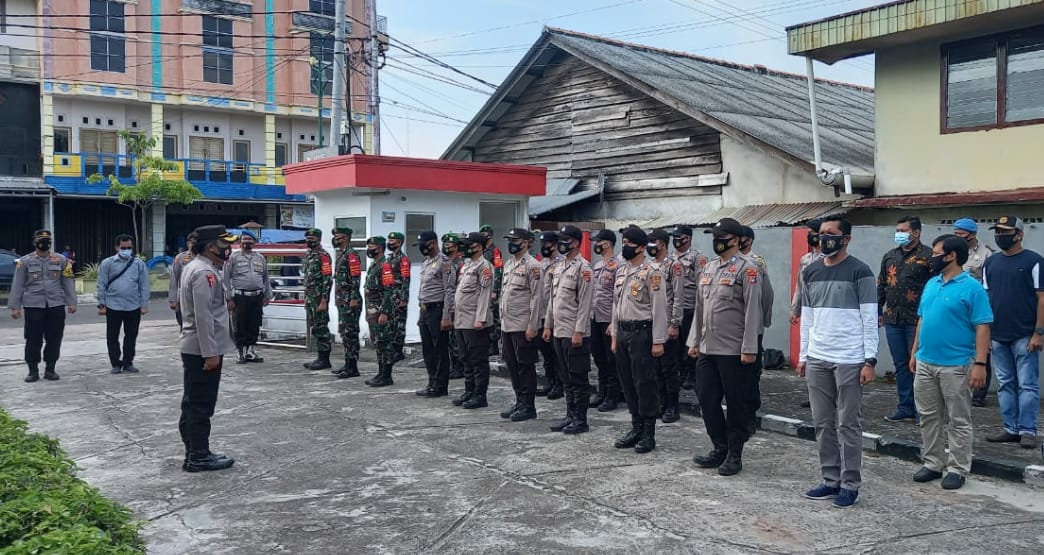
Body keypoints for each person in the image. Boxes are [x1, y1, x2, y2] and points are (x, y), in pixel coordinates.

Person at [797, 215, 878, 508]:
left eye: (832, 233)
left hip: (850, 359)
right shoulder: (812, 271)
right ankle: (829, 480)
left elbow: (870, 319)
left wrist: (869, 360)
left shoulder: (860, 271)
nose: (825, 238)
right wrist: (804, 355)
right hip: (818, 358)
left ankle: (850, 483)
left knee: (849, 424)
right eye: (822, 233)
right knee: (823, 423)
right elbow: (807, 317)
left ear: (846, 239)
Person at [908, 235, 992, 490]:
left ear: (951, 255)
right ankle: (933, 462)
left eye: (936, 253)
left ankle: (957, 467)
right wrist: (914, 352)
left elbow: (982, 326)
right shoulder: (932, 284)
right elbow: (922, 320)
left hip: (956, 365)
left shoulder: (972, 288)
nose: (931, 258)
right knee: (928, 416)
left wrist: (980, 364)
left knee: (958, 419)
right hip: (925, 362)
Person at [686, 218, 762, 476]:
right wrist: (694, 341)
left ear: (737, 240)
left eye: (723, 236)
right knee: (706, 400)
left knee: (737, 403)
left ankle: (734, 453)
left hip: (733, 351)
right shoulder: (709, 268)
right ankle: (719, 446)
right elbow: (699, 307)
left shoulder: (748, 269)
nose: (717, 241)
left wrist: (750, 347)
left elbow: (754, 311)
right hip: (708, 348)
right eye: (715, 236)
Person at [178, 225, 238, 473]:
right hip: (202, 349)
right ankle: (198, 456)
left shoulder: (201, 268)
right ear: (211, 246)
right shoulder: (204, 273)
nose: (228, 249)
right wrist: (210, 353)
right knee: (201, 405)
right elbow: (204, 317)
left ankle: (195, 450)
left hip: (198, 347)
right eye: (225, 244)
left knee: (193, 403)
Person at [983, 216, 1042, 450]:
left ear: (1019, 235)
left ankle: (1027, 430)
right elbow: (986, 300)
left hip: (1025, 334)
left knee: (1027, 384)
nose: (1000, 235)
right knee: (1005, 383)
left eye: (1005, 231)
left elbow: (1042, 299)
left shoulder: (1034, 262)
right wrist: (985, 333)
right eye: (997, 231)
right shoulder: (991, 263)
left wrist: (1039, 332)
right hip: (998, 334)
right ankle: (1010, 428)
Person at [610, 227, 668, 453]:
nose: (625, 246)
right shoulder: (622, 271)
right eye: (623, 241)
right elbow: (616, 306)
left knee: (644, 382)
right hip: (624, 332)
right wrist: (614, 334)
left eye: (629, 243)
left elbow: (659, 307)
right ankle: (636, 426)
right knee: (628, 382)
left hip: (642, 333)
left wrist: (658, 340)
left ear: (642, 247)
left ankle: (648, 432)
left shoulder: (652, 272)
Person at [879, 216, 933, 423]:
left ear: (916, 233)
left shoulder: (928, 256)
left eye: (903, 229)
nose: (899, 233)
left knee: (918, 366)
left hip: (917, 320)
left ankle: (923, 411)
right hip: (893, 318)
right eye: (897, 229)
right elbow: (881, 284)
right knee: (901, 365)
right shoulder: (889, 256)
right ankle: (905, 406)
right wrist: (877, 310)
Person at [544, 225, 595, 434]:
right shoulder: (559, 267)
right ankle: (570, 414)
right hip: (559, 329)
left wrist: (579, 331)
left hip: (574, 331)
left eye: (564, 240)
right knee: (565, 376)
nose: (560, 244)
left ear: (574, 242)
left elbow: (585, 303)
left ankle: (580, 419)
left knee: (577, 377)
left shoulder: (583, 268)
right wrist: (548, 325)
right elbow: (552, 299)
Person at [7, 229, 77, 382]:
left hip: (56, 305)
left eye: (47, 241)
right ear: (35, 242)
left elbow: (68, 281)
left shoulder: (61, 260)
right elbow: (18, 284)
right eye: (42, 241)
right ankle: (33, 371)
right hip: (33, 306)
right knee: (33, 338)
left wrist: (71, 302)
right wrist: (15, 307)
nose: (45, 244)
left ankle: (50, 369)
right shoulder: (24, 261)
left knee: (54, 338)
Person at [499, 228, 543, 421]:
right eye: (510, 239)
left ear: (526, 242)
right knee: (512, 366)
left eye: (515, 240)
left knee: (525, 366)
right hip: (507, 324)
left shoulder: (533, 266)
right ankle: (519, 400)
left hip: (523, 325)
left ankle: (528, 406)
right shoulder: (509, 264)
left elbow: (536, 297)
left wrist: (533, 325)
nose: (512, 243)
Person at [953, 218, 995, 407]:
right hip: (957, 308)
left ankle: (980, 393)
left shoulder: (987, 254)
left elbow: (990, 286)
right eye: (955, 234)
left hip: (977, 308)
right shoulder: (954, 253)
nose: (958, 237)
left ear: (972, 234)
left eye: (961, 234)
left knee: (982, 350)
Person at [452, 232, 494, 409]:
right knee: (465, 358)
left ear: (479, 246)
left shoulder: (484, 266)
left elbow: (485, 294)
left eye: (470, 244)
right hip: (462, 320)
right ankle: (469, 391)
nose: (466, 247)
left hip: (475, 321)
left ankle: (479, 395)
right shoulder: (467, 265)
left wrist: (481, 319)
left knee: (478, 360)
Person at [739, 225, 774, 435]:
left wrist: (763, 321)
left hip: (752, 326)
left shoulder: (755, 262)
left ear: (749, 240)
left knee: (751, 373)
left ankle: (750, 414)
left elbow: (767, 294)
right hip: (731, 329)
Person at [97, 234, 150, 374]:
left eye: (129, 248)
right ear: (116, 247)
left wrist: (144, 304)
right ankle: (115, 363)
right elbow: (101, 284)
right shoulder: (107, 263)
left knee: (131, 335)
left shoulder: (138, 264)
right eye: (123, 247)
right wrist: (101, 304)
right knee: (112, 335)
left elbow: (144, 285)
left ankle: (128, 362)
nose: (126, 250)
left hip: (133, 305)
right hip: (113, 305)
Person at [648, 228, 684, 423]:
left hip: (668, 322)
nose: (649, 246)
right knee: (655, 368)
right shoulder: (649, 265)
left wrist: (674, 323)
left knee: (669, 368)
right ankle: (661, 403)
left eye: (652, 242)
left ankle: (672, 406)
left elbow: (678, 296)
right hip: (652, 323)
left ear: (661, 243)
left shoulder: (674, 265)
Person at [415, 230, 455, 397]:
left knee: (439, 349)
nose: (421, 248)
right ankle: (432, 381)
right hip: (424, 310)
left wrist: (446, 316)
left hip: (437, 310)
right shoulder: (426, 263)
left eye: (423, 244)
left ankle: (440, 385)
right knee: (427, 349)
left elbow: (449, 290)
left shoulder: (445, 262)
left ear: (432, 243)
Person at [224, 230, 272, 364]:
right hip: (240, 297)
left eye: (250, 240)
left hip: (257, 296)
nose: (247, 242)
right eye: (244, 240)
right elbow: (226, 278)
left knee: (254, 324)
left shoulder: (260, 258)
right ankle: (240, 352)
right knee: (239, 325)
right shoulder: (233, 257)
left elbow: (265, 277)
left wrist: (267, 294)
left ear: (254, 242)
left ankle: (251, 351)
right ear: (240, 242)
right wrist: (229, 298)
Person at [791, 219, 824, 409]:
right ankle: (813, 395)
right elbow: (799, 286)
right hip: (808, 311)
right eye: (809, 232)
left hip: (825, 313)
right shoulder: (806, 259)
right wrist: (795, 309)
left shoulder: (830, 259)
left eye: (814, 232)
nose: (810, 235)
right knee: (808, 354)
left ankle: (828, 395)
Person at [670, 225, 707, 394]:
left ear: (688, 238)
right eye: (674, 237)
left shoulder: (697, 257)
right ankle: (680, 373)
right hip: (673, 307)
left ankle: (692, 374)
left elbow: (702, 282)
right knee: (675, 345)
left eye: (680, 237)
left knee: (689, 342)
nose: (676, 240)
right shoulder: (670, 258)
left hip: (690, 305)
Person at [590, 229, 622, 412]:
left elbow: (617, 297)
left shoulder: (617, 265)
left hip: (608, 319)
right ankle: (601, 392)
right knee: (599, 358)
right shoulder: (597, 265)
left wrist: (613, 321)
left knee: (611, 361)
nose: (596, 245)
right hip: (595, 317)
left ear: (608, 243)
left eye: (598, 242)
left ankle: (612, 395)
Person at [363, 236, 396, 387]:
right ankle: (381, 372)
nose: (369, 249)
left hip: (380, 311)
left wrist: (384, 312)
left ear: (380, 248)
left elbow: (389, 290)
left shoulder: (385, 265)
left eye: (372, 247)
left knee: (384, 342)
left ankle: (387, 375)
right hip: (372, 311)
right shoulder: (374, 265)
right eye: (369, 246)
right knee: (378, 342)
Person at [331, 227, 363, 378]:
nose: (338, 240)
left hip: (350, 300)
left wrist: (354, 297)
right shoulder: (341, 254)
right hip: (342, 300)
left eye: (341, 237)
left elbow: (356, 277)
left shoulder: (352, 255)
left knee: (351, 332)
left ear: (348, 238)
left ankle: (353, 367)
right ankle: (347, 363)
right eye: (336, 237)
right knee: (344, 332)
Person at [535, 230, 563, 399]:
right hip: (542, 313)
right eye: (542, 244)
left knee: (556, 353)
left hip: (554, 315)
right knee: (546, 353)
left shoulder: (560, 264)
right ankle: (550, 381)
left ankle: (559, 384)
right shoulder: (541, 264)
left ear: (555, 245)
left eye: (546, 245)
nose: (543, 247)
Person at [301, 229, 334, 370]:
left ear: (319, 239)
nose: (309, 240)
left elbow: (327, 279)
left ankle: (325, 359)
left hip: (319, 298)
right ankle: (320, 358)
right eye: (307, 237)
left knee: (321, 328)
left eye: (312, 238)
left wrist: (324, 300)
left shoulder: (324, 256)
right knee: (315, 327)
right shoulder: (308, 255)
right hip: (310, 298)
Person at [442, 233, 467, 380]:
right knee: (449, 338)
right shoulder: (445, 263)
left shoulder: (460, 264)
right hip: (446, 303)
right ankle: (454, 365)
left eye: (449, 245)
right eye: (445, 245)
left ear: (456, 247)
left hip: (457, 304)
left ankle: (460, 366)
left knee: (456, 338)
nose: (446, 247)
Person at [385, 232, 411, 363]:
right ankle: (392, 349)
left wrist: (404, 298)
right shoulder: (389, 258)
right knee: (390, 324)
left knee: (399, 324)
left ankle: (398, 351)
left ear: (399, 242)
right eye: (389, 240)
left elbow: (406, 280)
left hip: (398, 296)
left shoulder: (403, 259)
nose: (390, 242)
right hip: (389, 296)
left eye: (393, 240)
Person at [480, 224, 504, 357]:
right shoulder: (481, 251)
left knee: (494, 317)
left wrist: (496, 290)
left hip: (492, 289)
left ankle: (494, 344)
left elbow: (499, 270)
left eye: (486, 235)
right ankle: (487, 343)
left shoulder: (495, 251)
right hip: (483, 289)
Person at [169, 232, 197, 330]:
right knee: (183, 324)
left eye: (196, 243)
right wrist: (173, 300)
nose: (193, 245)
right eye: (191, 242)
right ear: (187, 243)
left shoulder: (204, 258)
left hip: (199, 296)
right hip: (183, 297)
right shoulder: (180, 258)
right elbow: (174, 278)